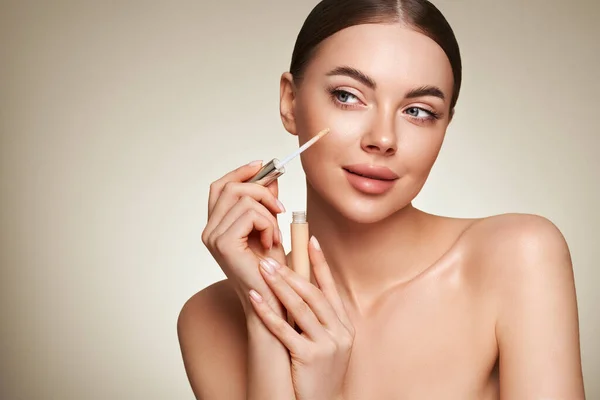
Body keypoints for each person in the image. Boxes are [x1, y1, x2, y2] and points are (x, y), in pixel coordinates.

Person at [177, 0, 586, 398]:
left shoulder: (518, 257)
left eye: (419, 111)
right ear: (290, 101)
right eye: (347, 96)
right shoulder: (208, 321)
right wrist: (265, 313)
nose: (383, 139)